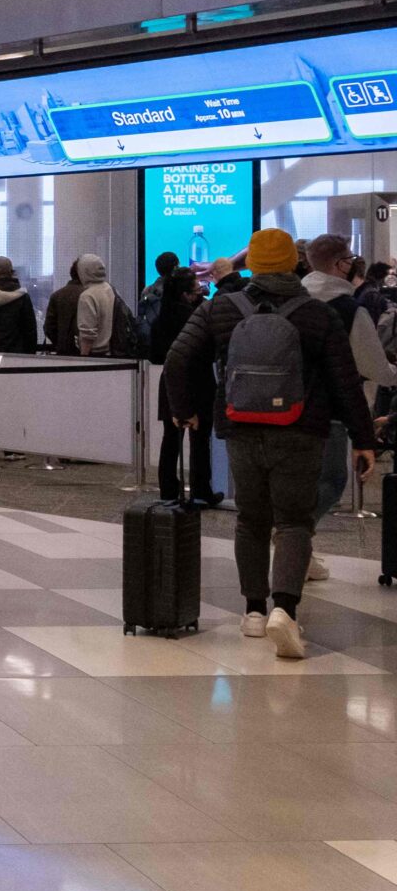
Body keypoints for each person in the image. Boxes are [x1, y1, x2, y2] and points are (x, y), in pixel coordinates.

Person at [165, 228, 376, 661]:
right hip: (301, 430)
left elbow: (178, 358)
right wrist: (363, 438)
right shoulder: (318, 314)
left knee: (251, 519)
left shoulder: (222, 308)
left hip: (241, 429)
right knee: (294, 522)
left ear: (253, 265)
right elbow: (344, 380)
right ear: (293, 264)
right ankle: (286, 608)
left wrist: (184, 408)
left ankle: (254, 611)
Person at [303, 234, 397, 580]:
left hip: (287, 408)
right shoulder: (347, 309)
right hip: (329, 408)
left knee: (301, 481)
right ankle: (295, 538)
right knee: (331, 480)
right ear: (341, 264)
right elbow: (373, 366)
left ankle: (299, 548)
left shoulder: (295, 300)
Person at [149, 267, 218, 504]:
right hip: (198, 381)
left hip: (168, 381)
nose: (201, 293)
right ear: (187, 294)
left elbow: (155, 353)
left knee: (170, 439)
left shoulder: (160, 316)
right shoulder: (195, 318)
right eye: (198, 290)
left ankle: (168, 490)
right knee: (200, 440)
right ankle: (201, 490)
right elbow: (207, 349)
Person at [74, 253, 120, 357]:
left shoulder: (87, 296)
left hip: (95, 355)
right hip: (113, 352)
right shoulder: (110, 289)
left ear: (84, 271)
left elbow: (88, 334)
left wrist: (83, 357)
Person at [139, 249, 179, 349]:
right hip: (172, 341)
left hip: (152, 339)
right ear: (175, 268)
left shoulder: (147, 290)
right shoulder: (179, 290)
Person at [45, 260, 84, 356]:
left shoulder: (57, 295)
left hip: (63, 350)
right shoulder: (90, 295)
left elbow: (49, 327)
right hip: (87, 352)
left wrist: (60, 343)